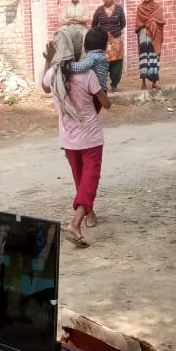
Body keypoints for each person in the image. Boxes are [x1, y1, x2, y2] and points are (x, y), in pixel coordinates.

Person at [41, 26, 112, 248]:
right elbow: (106, 104)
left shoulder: (54, 74)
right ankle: (75, 223)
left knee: (81, 178)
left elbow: (44, 87)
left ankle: (89, 214)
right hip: (90, 137)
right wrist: (104, 88)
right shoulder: (88, 75)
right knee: (90, 180)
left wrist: (49, 60)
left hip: (68, 139)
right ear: (78, 48)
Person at [91, 0, 126, 92]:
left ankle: (114, 84)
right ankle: (102, 84)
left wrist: (115, 31)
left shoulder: (119, 9)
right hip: (103, 42)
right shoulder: (99, 10)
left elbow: (123, 23)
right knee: (103, 61)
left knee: (117, 62)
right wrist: (101, 34)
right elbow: (94, 25)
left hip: (116, 41)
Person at [134, 0, 166, 90]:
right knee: (144, 56)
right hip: (143, 33)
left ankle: (154, 82)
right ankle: (143, 81)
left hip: (155, 35)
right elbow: (138, 23)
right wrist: (149, 23)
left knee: (154, 56)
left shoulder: (158, 7)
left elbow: (161, 21)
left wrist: (153, 22)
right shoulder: (140, 8)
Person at [71, 27, 110, 94]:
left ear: (85, 46)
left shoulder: (93, 56)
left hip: (97, 92)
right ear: (105, 46)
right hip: (102, 91)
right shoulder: (101, 56)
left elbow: (81, 67)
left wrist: (67, 65)